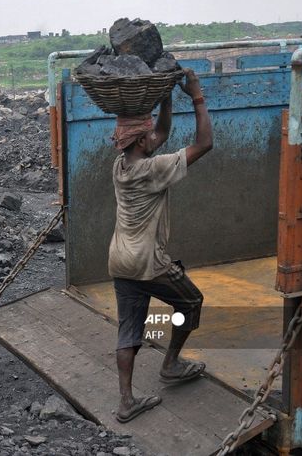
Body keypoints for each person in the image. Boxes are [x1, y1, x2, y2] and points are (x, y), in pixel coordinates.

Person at [109, 68, 213, 423]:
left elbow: (162, 133)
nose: (155, 135)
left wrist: (167, 95)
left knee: (129, 329)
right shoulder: (152, 170)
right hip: (148, 262)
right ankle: (170, 364)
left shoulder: (120, 166)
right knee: (191, 301)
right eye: (147, 133)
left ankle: (126, 402)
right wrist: (196, 95)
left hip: (120, 261)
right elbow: (204, 144)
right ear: (140, 142)